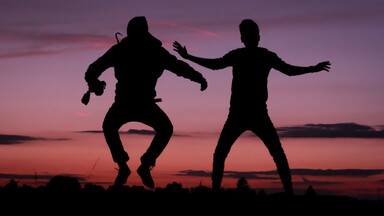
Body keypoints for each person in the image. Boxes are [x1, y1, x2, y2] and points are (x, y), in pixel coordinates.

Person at [173, 19, 330, 194]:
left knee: (275, 155)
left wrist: (312, 69)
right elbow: (216, 65)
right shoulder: (245, 55)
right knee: (224, 154)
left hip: (256, 114)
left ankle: (289, 194)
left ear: (255, 37)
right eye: (248, 35)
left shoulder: (263, 55)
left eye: (252, 35)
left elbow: (288, 70)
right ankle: (216, 193)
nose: (251, 38)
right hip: (240, 115)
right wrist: (188, 57)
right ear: (244, 38)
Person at [84, 16, 207, 188]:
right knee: (164, 128)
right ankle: (139, 165)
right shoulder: (153, 51)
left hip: (128, 104)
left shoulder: (121, 50)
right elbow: (179, 67)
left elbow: (92, 70)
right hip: (139, 104)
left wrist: (94, 83)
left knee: (110, 126)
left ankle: (127, 166)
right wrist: (199, 78)